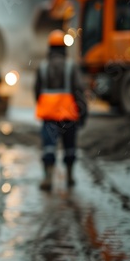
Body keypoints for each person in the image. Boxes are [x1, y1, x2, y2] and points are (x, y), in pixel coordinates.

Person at [34, 29, 88, 191]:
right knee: (70, 146)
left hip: (49, 115)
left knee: (49, 147)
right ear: (64, 47)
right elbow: (79, 91)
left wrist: (45, 104)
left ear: (49, 47)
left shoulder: (42, 67)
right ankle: (70, 176)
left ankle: (48, 178)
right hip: (68, 116)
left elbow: (37, 92)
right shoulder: (71, 66)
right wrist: (82, 112)